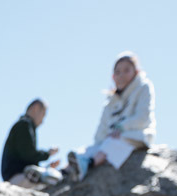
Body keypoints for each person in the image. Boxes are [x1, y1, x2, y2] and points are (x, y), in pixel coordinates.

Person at [66, 52, 156, 181]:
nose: (121, 75)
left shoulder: (144, 87)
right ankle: (64, 171)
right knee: (90, 149)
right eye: (118, 72)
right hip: (111, 139)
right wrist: (97, 145)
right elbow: (101, 130)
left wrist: (121, 127)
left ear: (136, 72)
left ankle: (89, 164)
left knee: (111, 143)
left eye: (126, 70)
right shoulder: (110, 101)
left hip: (136, 136)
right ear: (113, 76)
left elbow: (143, 117)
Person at [0, 99, 61, 187]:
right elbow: (28, 154)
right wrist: (48, 154)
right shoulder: (24, 125)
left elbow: (27, 158)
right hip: (18, 178)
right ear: (35, 108)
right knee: (54, 180)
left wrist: (46, 168)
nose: (42, 121)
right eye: (43, 114)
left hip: (17, 177)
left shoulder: (24, 125)